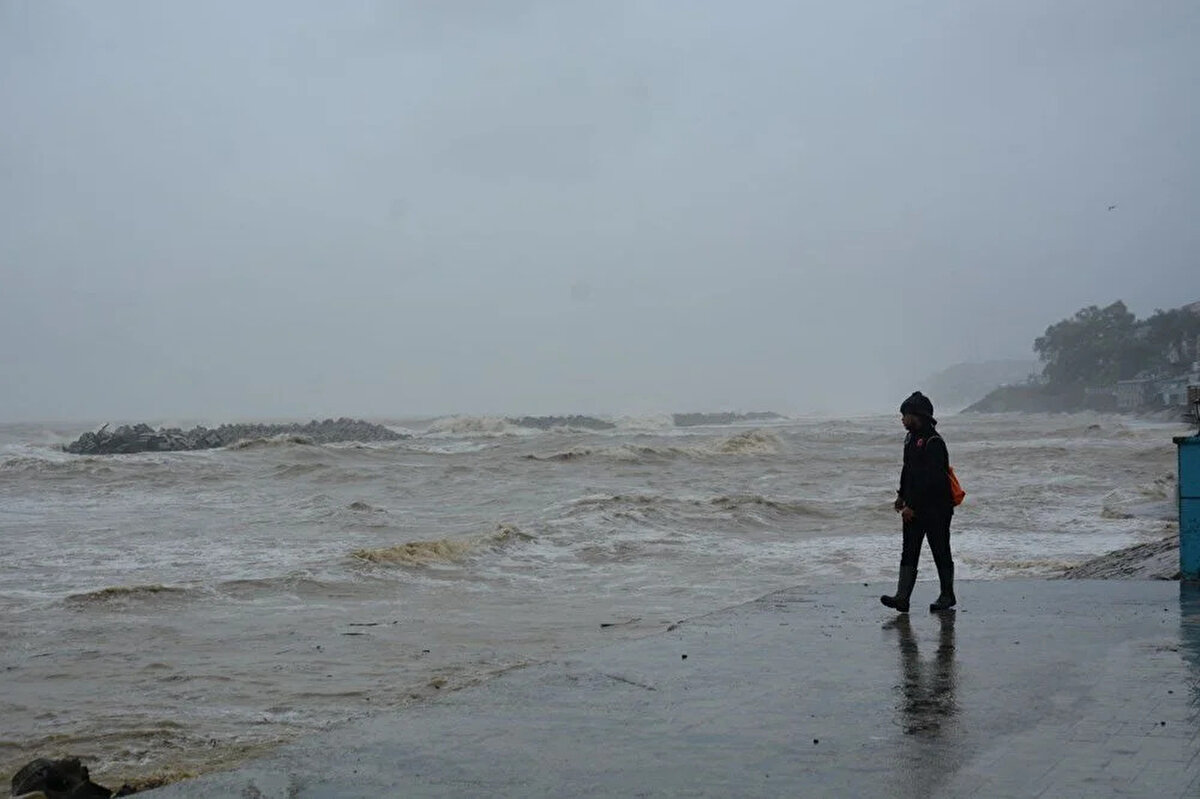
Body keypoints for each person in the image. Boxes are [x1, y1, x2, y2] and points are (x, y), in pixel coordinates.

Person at [881, 391, 957, 613]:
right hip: (914, 505)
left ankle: (947, 595)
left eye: (905, 415)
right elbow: (908, 470)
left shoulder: (934, 442)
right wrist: (901, 496)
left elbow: (931, 480)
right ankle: (902, 597)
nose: (902, 420)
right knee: (909, 551)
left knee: (940, 550)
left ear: (917, 415)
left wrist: (912, 506)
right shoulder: (910, 439)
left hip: (936, 509)